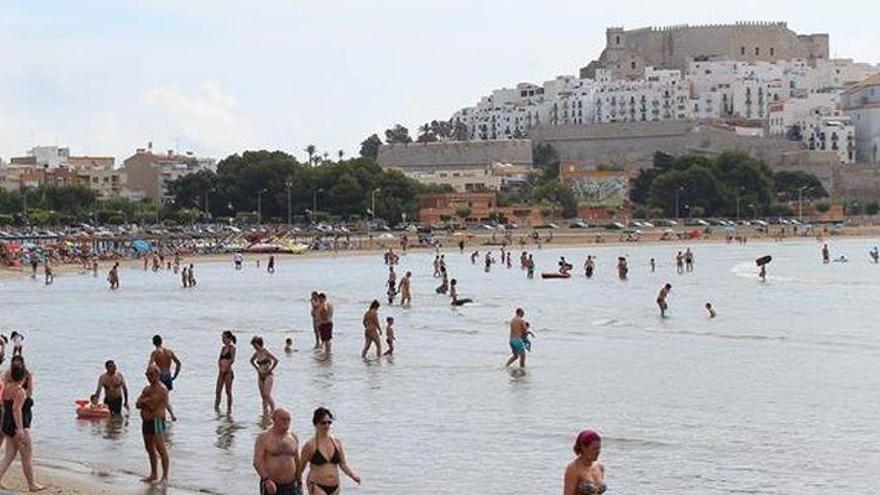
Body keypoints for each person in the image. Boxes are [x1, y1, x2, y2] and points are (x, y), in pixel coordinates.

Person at [0, 366, 45, 491]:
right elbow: (16, 410)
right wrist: (20, 429)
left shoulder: (6, 388)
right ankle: (32, 484)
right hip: (19, 426)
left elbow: (5, 407)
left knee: (9, 455)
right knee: (27, 456)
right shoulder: (19, 391)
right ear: (24, 378)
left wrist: (5, 425)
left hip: (8, 425)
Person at [300, 407, 360, 495]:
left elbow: (343, 465)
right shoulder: (310, 445)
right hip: (317, 484)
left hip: (335, 487)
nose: (327, 425)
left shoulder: (336, 443)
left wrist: (353, 476)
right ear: (316, 424)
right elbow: (301, 467)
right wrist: (296, 483)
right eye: (323, 423)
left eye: (329, 422)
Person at [253, 408, 302, 495]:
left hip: (290, 485)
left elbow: (297, 461)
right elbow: (257, 461)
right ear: (274, 419)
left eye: (288, 419)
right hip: (271, 484)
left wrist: (300, 482)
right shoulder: (264, 437)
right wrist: (266, 480)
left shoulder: (293, 437)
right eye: (283, 419)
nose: (286, 422)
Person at [135, 365, 170, 484]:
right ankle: (153, 474)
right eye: (147, 374)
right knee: (149, 448)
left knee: (161, 448)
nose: (149, 377)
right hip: (146, 421)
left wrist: (144, 401)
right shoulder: (147, 389)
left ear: (157, 374)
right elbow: (137, 404)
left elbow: (152, 405)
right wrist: (145, 401)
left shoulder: (162, 389)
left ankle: (165, 476)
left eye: (151, 374)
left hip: (157, 421)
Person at [563, 430, 606, 495]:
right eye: (594, 448)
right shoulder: (574, 469)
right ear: (583, 447)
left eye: (599, 448)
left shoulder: (600, 467)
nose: (598, 451)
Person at [149, 335, 181, 421]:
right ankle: (170, 415)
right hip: (168, 376)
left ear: (153, 343)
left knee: (161, 397)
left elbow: (150, 366)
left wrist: (151, 377)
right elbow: (178, 363)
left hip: (160, 376)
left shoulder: (155, 353)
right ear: (161, 341)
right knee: (165, 396)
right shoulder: (169, 352)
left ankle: (169, 415)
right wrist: (175, 375)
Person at [250, 337, 279, 416]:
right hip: (260, 375)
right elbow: (251, 361)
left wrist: (270, 369)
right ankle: (265, 413)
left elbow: (276, 360)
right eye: (253, 346)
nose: (254, 347)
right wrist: (257, 369)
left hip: (268, 375)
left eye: (255, 345)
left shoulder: (265, 351)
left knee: (267, 394)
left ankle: (273, 411)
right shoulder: (256, 353)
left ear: (259, 344)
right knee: (263, 396)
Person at [215, 331, 236, 415]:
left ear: (229, 339)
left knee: (228, 391)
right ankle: (216, 407)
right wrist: (220, 366)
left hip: (228, 372)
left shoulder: (232, 348)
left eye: (224, 338)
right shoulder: (223, 348)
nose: (223, 340)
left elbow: (232, 360)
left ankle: (229, 409)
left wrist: (226, 368)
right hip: (221, 371)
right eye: (222, 338)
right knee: (218, 391)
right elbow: (220, 358)